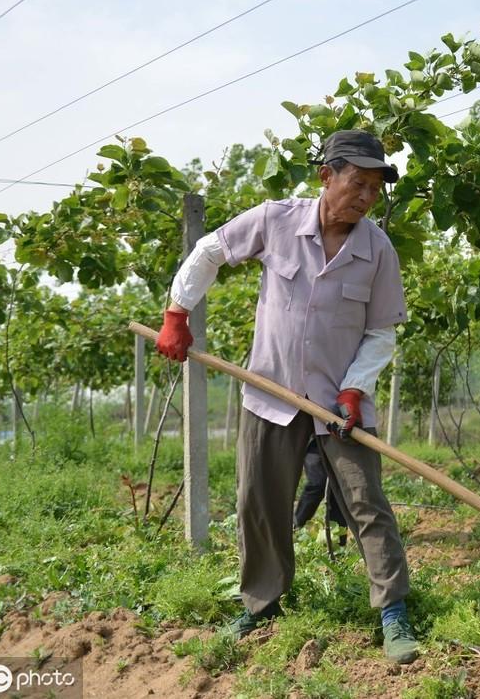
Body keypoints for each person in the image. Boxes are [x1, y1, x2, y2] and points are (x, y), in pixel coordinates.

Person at [154, 130, 419, 664]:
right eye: (358, 184)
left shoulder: (377, 250)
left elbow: (381, 333)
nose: (366, 198)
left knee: (366, 503)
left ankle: (393, 612)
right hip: (270, 393)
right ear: (327, 176)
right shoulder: (277, 220)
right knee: (260, 502)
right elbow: (211, 251)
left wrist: (355, 386)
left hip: (340, 404)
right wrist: (177, 314)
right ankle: (262, 603)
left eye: (374, 189)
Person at [293, 440, 347, 546]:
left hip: (342, 443)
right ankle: (296, 525)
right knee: (318, 482)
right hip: (316, 443)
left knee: (338, 493)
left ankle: (337, 545)